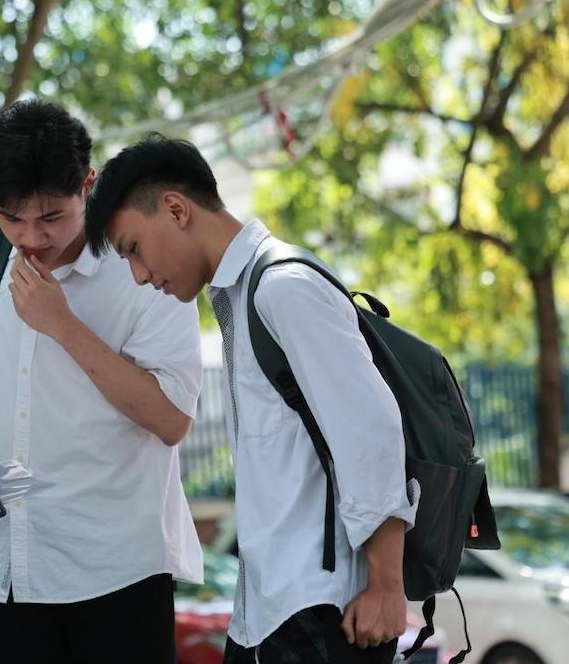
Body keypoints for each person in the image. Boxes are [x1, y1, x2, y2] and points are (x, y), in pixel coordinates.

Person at [83, 133, 419, 664]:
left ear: (175, 210)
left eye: (134, 249)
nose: (140, 275)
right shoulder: (242, 297)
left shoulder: (283, 287)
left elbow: (371, 432)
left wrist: (386, 586)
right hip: (270, 611)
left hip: (322, 609)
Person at [0, 101, 204, 664]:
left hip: (121, 573)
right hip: (11, 571)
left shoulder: (143, 261)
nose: (30, 238)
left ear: (88, 184)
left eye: (51, 218)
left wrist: (63, 325)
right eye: (11, 217)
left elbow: (173, 419)